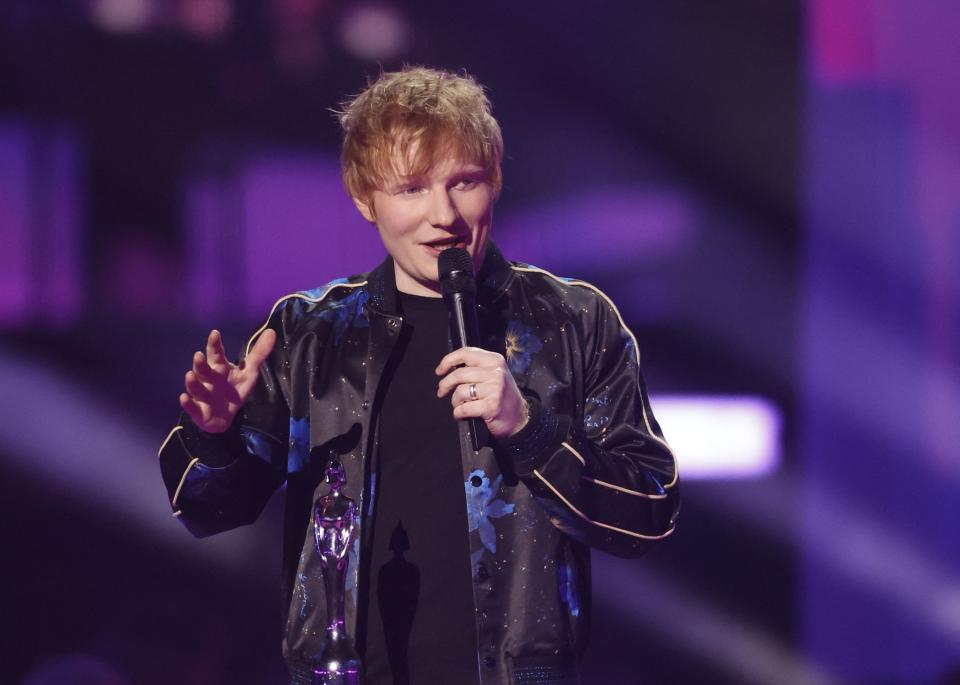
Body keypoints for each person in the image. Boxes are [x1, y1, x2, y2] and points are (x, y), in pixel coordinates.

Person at [159, 66, 680, 685]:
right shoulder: (312, 333)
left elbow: (649, 511)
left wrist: (530, 432)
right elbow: (208, 511)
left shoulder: (572, 322)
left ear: (497, 180)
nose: (444, 215)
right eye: (411, 189)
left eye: (464, 182)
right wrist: (215, 436)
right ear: (363, 197)